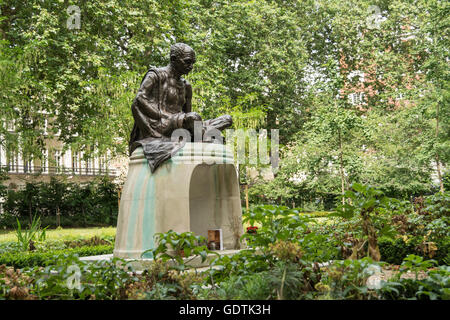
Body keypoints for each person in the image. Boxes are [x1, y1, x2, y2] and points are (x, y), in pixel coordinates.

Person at [129, 43, 232, 172]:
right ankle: (204, 134)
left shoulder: (186, 86)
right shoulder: (156, 75)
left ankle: (203, 132)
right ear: (174, 59)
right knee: (195, 119)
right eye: (187, 62)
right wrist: (162, 117)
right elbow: (139, 98)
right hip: (161, 123)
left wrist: (192, 127)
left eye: (192, 63)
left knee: (227, 119)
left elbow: (188, 114)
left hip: (180, 123)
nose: (191, 66)